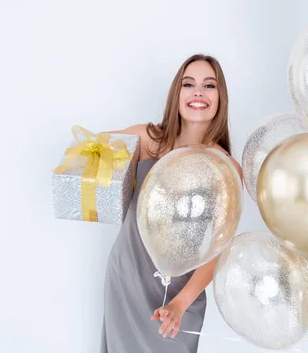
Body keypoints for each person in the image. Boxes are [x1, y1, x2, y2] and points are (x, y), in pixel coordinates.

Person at [100, 54, 242, 353]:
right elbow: (92, 151)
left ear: (221, 98)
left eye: (209, 85)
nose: (198, 92)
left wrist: (180, 304)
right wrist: (98, 149)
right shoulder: (149, 140)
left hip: (180, 294)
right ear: (177, 93)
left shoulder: (227, 167)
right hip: (128, 276)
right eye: (188, 84)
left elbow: (217, 250)